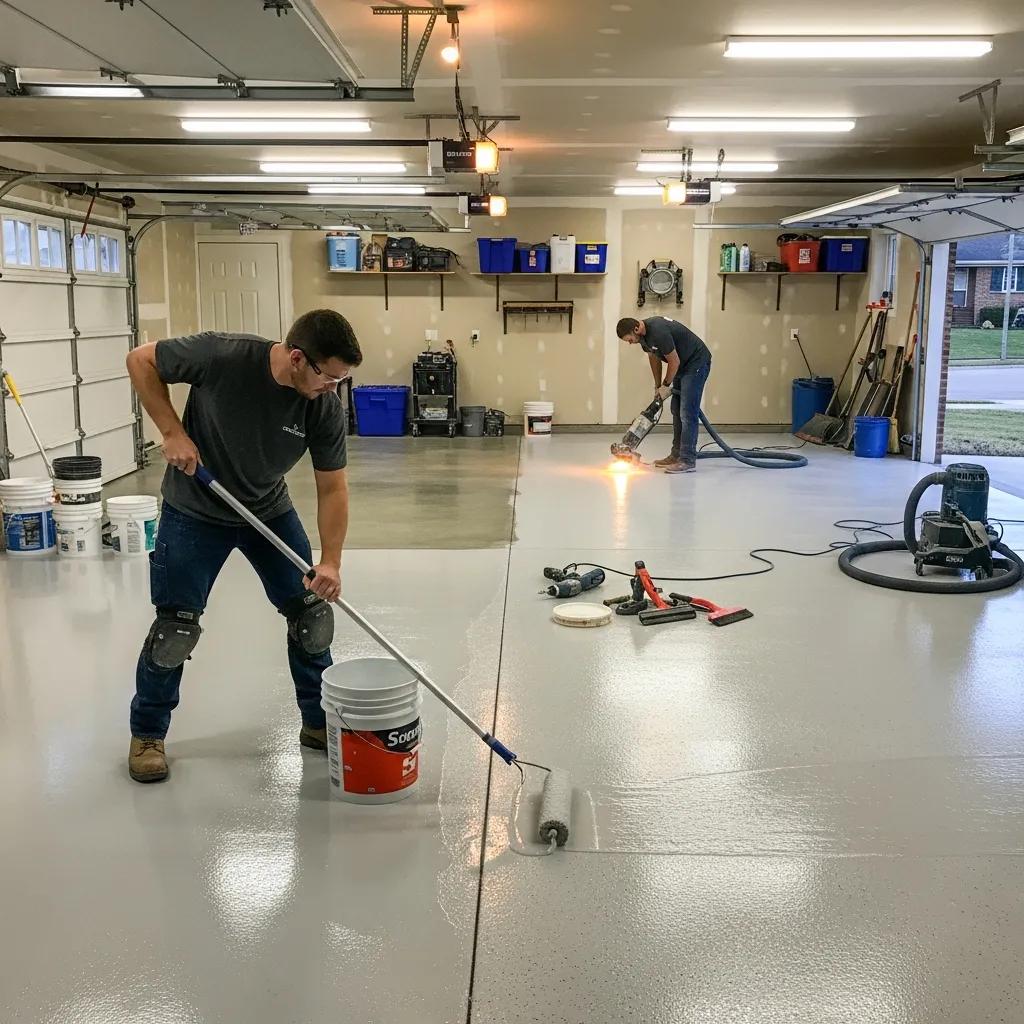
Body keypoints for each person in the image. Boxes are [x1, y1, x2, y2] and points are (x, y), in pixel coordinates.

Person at [125, 310, 362, 783]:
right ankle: (147, 734)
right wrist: (172, 431)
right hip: (194, 510)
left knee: (311, 612)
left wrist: (330, 562)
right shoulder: (221, 355)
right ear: (298, 359)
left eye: (342, 381)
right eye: (328, 378)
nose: (332, 389)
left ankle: (317, 722)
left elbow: (333, 489)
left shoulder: (323, 407)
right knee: (176, 629)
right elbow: (140, 359)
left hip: (267, 512)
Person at [616, 315, 712, 473]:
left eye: (629, 340)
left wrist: (666, 385)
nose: (630, 343)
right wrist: (658, 386)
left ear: (636, 329)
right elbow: (654, 359)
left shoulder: (658, 331)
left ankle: (687, 460)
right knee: (676, 409)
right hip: (682, 365)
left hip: (696, 362)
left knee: (687, 412)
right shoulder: (644, 339)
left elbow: (674, 361)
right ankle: (676, 455)